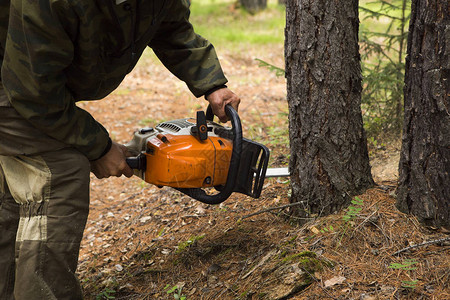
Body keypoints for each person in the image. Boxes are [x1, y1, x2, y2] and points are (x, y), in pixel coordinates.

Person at [0, 0, 240, 299]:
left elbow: (170, 27)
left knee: (17, 191)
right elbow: (33, 92)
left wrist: (211, 83)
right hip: (15, 82)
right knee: (59, 171)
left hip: (27, 80)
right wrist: (99, 148)